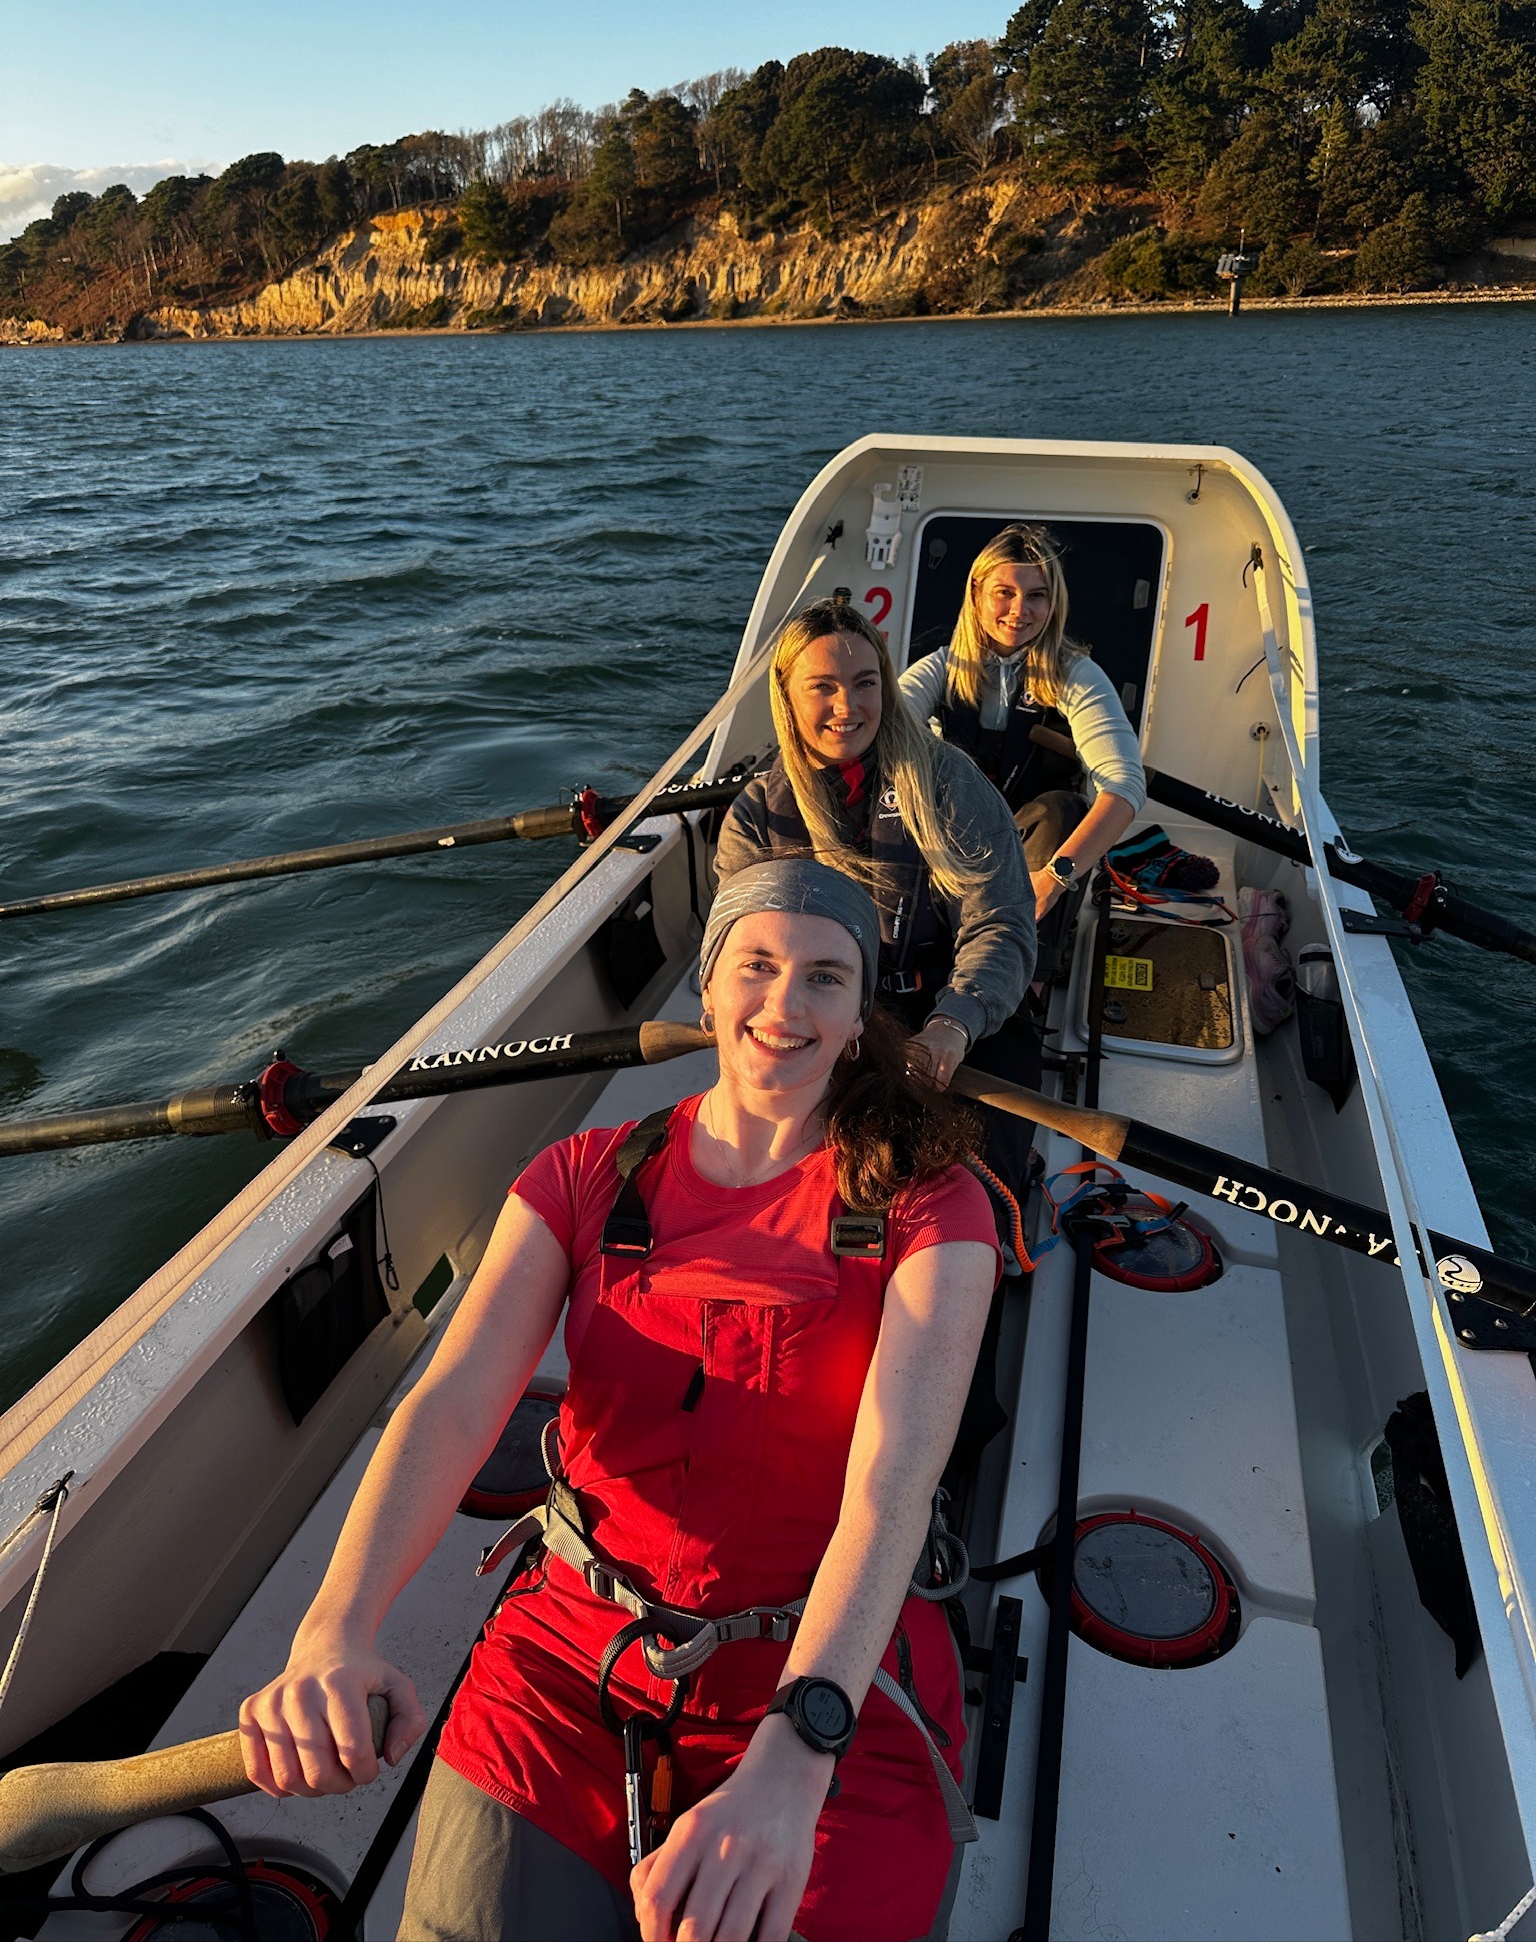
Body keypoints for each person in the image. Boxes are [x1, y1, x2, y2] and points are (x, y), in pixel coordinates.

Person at [239, 859, 999, 1942]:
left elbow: (893, 1486)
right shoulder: (582, 1173)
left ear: (860, 1009)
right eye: (760, 965)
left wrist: (798, 1747)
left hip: (831, 1672)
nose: (787, 1005)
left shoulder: (932, 1202)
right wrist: (335, 1627)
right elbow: (452, 1404)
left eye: (827, 978)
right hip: (574, 1654)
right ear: (707, 982)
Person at [715, 595, 1036, 1105]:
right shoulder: (756, 816)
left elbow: (1001, 922)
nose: (848, 707)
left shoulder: (947, 783)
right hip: (814, 1021)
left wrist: (952, 1026)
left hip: (951, 1016)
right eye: (823, 687)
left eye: (865, 683)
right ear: (786, 696)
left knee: (975, 1177)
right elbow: (740, 951)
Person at [899, 523, 1146, 949]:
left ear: (1054, 604)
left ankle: (1027, 981)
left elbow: (1124, 786)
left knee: (1062, 810)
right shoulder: (940, 668)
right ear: (977, 594)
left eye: (1036, 596)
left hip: (1032, 850)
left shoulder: (1077, 676)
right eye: (1005, 593)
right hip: (955, 836)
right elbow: (887, 726)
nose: (1019, 610)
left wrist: (1056, 877)